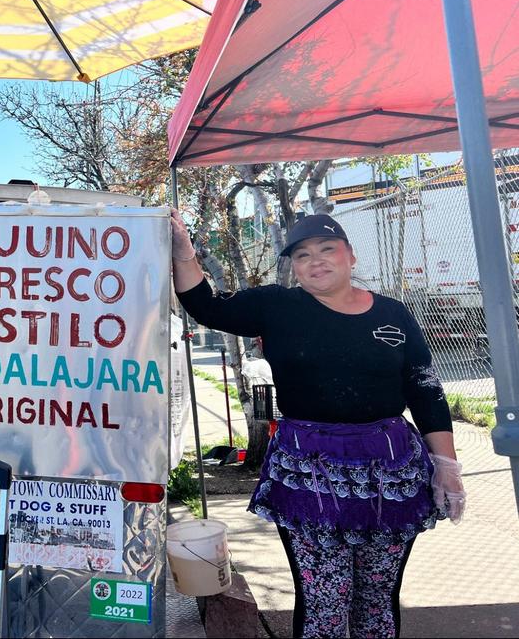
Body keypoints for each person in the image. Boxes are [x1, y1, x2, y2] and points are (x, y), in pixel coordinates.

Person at [171, 210, 466, 639]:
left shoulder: (393, 314)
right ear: (293, 267)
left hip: (391, 474)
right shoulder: (276, 306)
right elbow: (205, 307)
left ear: (351, 257)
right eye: (303, 254)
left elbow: (424, 388)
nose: (316, 260)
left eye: (328, 249)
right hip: (309, 474)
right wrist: (183, 249)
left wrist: (447, 467)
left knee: (377, 597)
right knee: (325, 601)